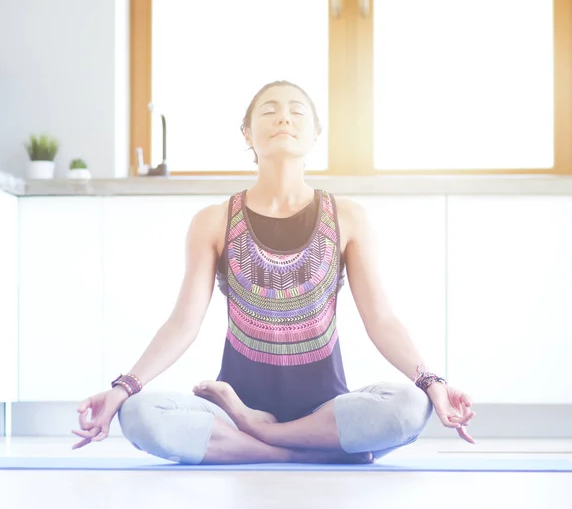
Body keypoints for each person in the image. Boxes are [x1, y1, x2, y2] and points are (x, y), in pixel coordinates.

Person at [72, 80, 476, 465]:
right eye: (270, 110)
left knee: (409, 408)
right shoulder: (212, 222)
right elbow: (183, 322)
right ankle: (299, 450)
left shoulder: (348, 217)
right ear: (247, 134)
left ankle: (261, 437)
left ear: (315, 134)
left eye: (297, 111)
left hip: (324, 409)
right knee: (140, 415)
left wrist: (432, 383)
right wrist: (124, 388)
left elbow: (382, 320)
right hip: (233, 405)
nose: (284, 118)